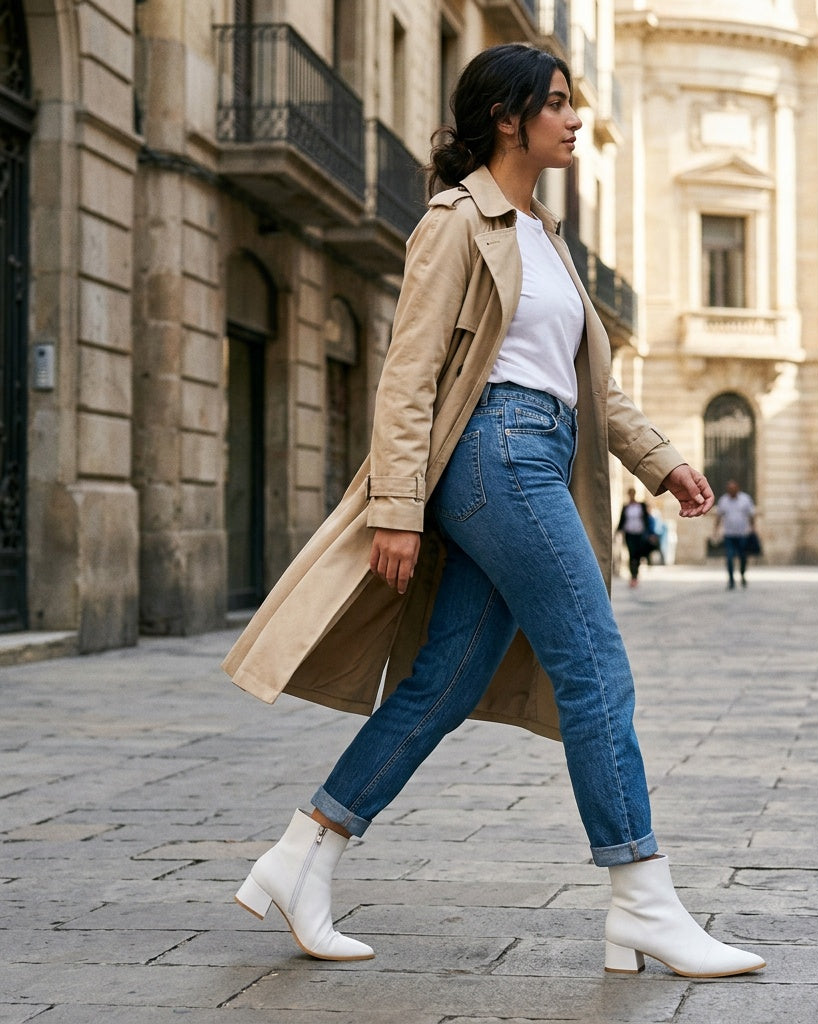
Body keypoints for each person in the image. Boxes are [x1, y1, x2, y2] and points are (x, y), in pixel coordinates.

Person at [223, 44, 764, 980]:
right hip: (495, 455)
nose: (574, 117)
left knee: (445, 682)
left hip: (539, 450)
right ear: (508, 119)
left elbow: (590, 386)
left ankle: (302, 855)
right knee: (594, 665)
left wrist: (665, 461)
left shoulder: (544, 236)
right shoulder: (455, 221)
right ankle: (642, 902)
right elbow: (409, 374)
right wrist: (397, 506)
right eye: (555, 103)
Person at [713, 480, 756, 589]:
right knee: (729, 557)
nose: (731, 491)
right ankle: (731, 580)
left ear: (737, 489)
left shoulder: (745, 499)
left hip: (742, 534)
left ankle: (742, 574)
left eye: (733, 489)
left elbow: (751, 515)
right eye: (729, 489)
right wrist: (715, 530)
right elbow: (718, 516)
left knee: (743, 557)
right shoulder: (723, 500)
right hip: (729, 534)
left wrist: (753, 528)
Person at [617, 487, 656, 587]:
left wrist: (651, 533)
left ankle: (636, 574)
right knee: (632, 554)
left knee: (637, 555)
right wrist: (618, 531)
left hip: (640, 534)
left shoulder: (641, 506)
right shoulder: (626, 507)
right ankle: (633, 576)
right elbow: (622, 520)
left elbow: (647, 519)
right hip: (629, 534)